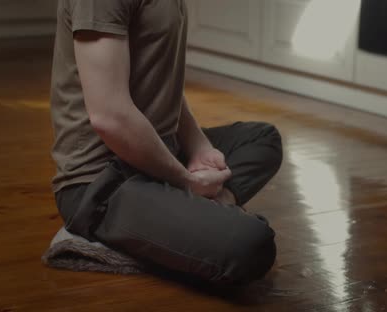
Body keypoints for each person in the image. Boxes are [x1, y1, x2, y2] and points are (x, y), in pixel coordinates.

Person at [50, 0, 283, 284]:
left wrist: (199, 145)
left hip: (159, 151)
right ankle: (180, 218)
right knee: (252, 244)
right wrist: (185, 181)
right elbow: (109, 116)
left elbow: (160, 78)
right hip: (101, 181)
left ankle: (194, 212)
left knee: (262, 139)